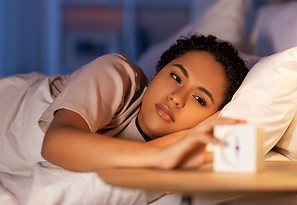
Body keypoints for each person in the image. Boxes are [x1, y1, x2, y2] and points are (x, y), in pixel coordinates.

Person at [0, 34, 248, 175]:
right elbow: (55, 144)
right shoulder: (118, 74)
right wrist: (158, 156)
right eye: (175, 77)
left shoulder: (185, 140)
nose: (176, 97)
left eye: (199, 99)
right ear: (155, 76)